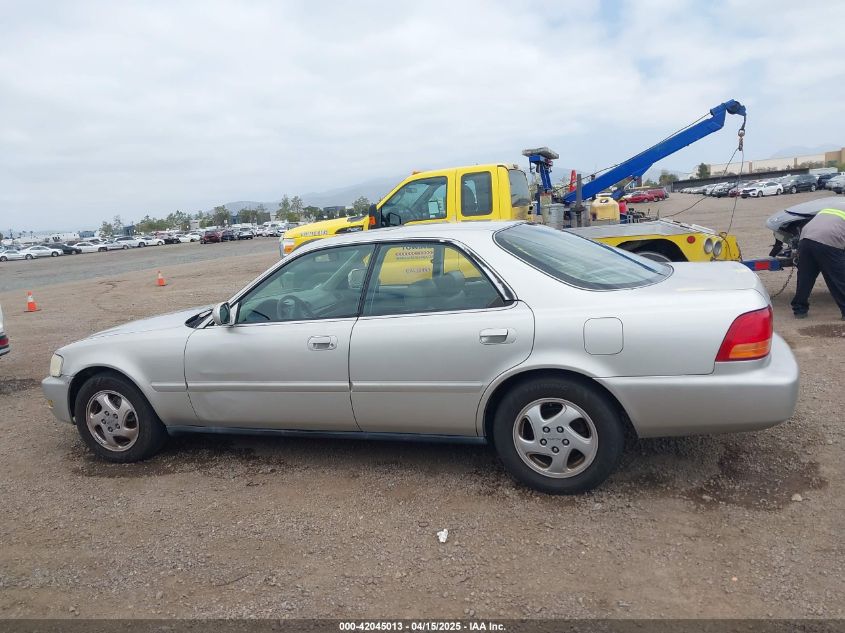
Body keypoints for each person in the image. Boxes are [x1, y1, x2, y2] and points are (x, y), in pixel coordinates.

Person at [791, 204, 845, 320]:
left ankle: (799, 310)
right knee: (838, 278)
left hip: (805, 239)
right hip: (829, 240)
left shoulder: (830, 208)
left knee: (805, 277)